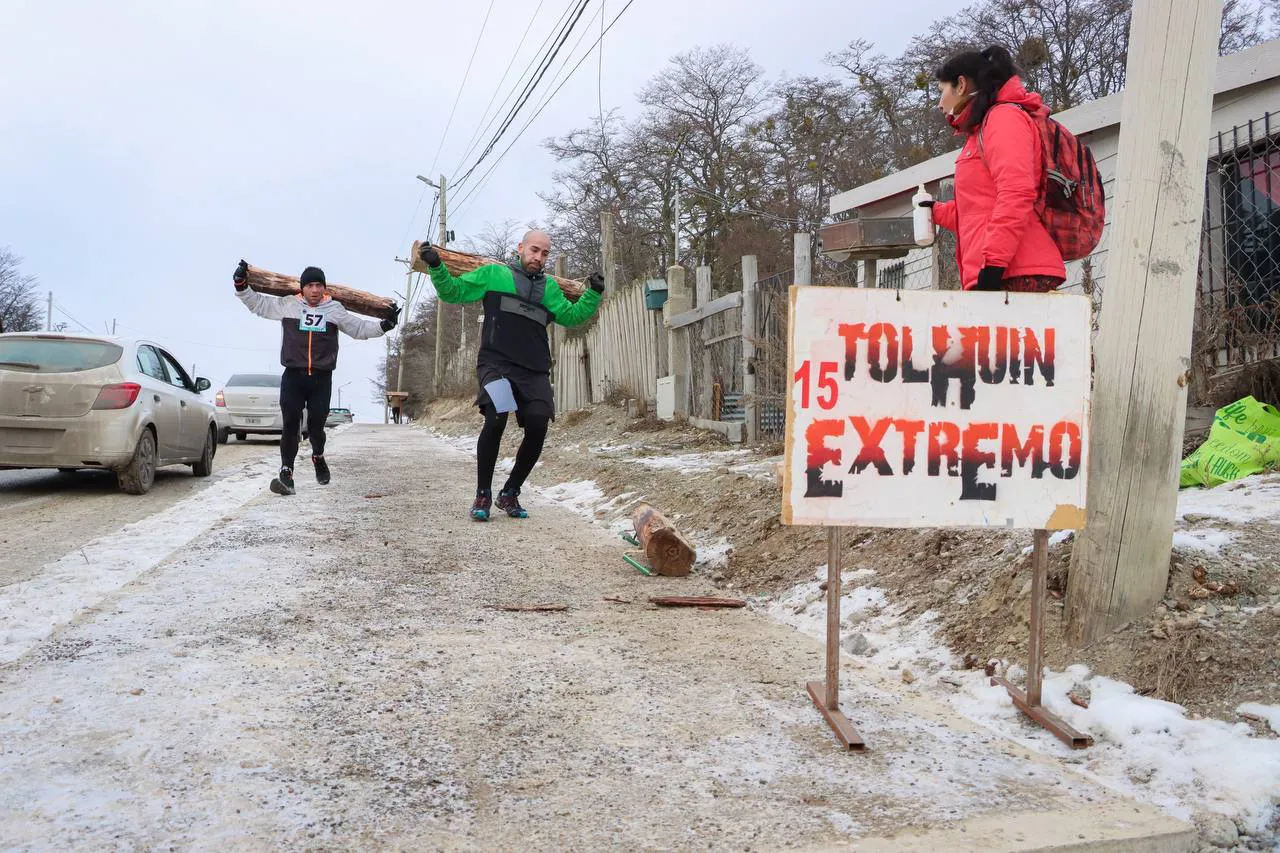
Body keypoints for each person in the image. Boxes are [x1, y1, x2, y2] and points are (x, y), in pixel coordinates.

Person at [418, 231, 603, 520]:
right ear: (520, 248)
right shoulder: (495, 275)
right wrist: (436, 266)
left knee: (539, 424)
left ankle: (510, 493)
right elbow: (452, 292)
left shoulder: (550, 289)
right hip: (497, 364)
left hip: (533, 369)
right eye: (534, 250)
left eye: (544, 253)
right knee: (496, 416)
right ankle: (483, 494)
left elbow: (573, 317)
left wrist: (593, 293)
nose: (538, 257)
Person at [232, 260, 399, 495]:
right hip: (293, 376)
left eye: (319, 285)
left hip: (321, 378)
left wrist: (385, 325)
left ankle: (318, 456)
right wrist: (241, 285)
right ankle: (286, 472)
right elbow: (259, 305)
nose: (314, 290)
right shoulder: (289, 305)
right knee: (290, 424)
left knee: (316, 425)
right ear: (302, 288)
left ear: (324, 288)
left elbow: (359, 328)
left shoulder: (335, 310)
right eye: (310, 285)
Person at [920, 45, 1066, 293]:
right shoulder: (982, 129)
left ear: (961, 84)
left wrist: (993, 267)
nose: (939, 103)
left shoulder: (1003, 119)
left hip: (1014, 274)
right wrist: (936, 211)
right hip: (999, 272)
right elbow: (979, 212)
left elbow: (1016, 192)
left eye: (941, 90)